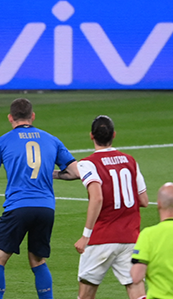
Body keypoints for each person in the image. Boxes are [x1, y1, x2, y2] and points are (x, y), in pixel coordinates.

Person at [0, 98, 77, 299]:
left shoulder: (2, 142)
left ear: (10, 118)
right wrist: (53, 173)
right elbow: (74, 172)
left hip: (18, 207)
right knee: (38, 260)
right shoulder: (52, 140)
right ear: (32, 116)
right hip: (46, 209)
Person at [54, 115, 148, 299]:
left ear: (91, 136)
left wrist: (85, 236)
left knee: (86, 294)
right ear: (114, 135)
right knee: (136, 291)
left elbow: (96, 197)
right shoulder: (130, 161)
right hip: (130, 238)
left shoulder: (88, 163)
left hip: (101, 238)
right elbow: (144, 200)